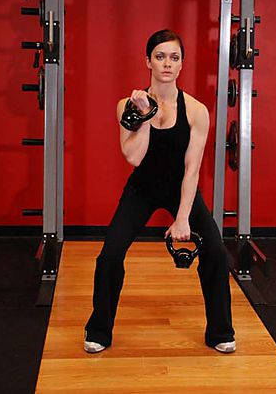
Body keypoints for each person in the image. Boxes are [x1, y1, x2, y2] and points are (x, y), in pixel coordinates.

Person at [84, 29, 236, 354]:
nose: (167, 63)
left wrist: (183, 218)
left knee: (217, 252)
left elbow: (193, 168)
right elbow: (133, 157)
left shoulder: (196, 111)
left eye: (174, 57)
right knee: (110, 255)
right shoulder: (127, 105)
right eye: (160, 56)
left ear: (181, 65)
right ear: (148, 61)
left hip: (181, 188)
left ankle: (221, 332)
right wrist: (144, 116)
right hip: (143, 188)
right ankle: (99, 330)